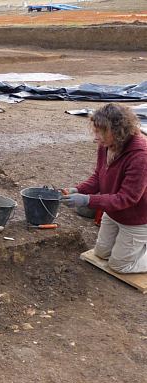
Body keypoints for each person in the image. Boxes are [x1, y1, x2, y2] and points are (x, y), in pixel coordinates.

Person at [62, 103, 147, 273]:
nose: (96, 137)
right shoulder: (106, 145)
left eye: (100, 132)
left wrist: (87, 200)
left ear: (118, 131)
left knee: (119, 266)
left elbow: (127, 198)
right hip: (114, 212)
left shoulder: (140, 156)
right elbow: (98, 178)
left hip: (137, 217)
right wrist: (76, 190)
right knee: (101, 253)